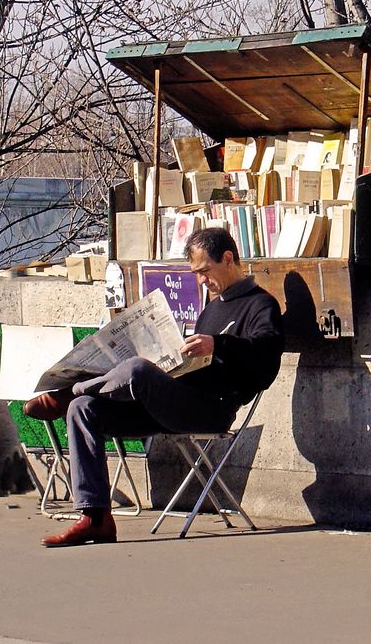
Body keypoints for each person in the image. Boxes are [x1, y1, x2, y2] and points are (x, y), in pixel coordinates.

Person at [23, 227, 284, 547]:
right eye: (196, 274)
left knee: (135, 370)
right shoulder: (213, 307)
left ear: (228, 259)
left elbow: (265, 363)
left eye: (205, 271)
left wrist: (218, 345)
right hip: (174, 400)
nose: (202, 281)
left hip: (210, 409)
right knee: (84, 410)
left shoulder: (261, 305)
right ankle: (95, 518)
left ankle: (71, 391)